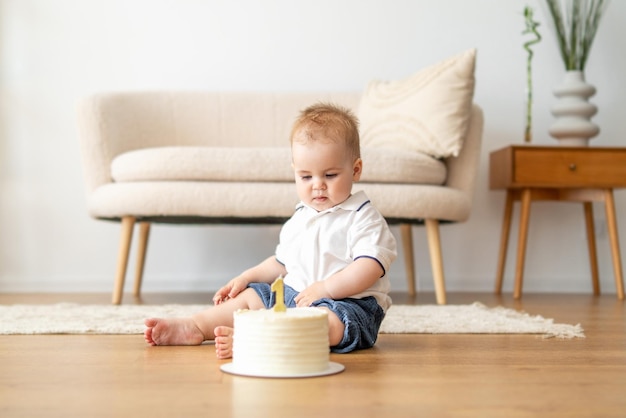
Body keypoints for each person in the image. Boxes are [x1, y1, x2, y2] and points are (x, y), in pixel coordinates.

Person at [144, 102, 397, 358]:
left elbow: (368, 267)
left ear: (355, 170)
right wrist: (246, 277)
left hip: (347, 304)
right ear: (295, 173)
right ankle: (196, 325)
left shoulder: (363, 217)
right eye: (306, 177)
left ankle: (256, 340)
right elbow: (280, 263)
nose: (318, 185)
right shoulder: (301, 217)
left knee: (327, 322)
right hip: (295, 297)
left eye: (330, 175)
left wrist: (326, 289)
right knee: (252, 297)